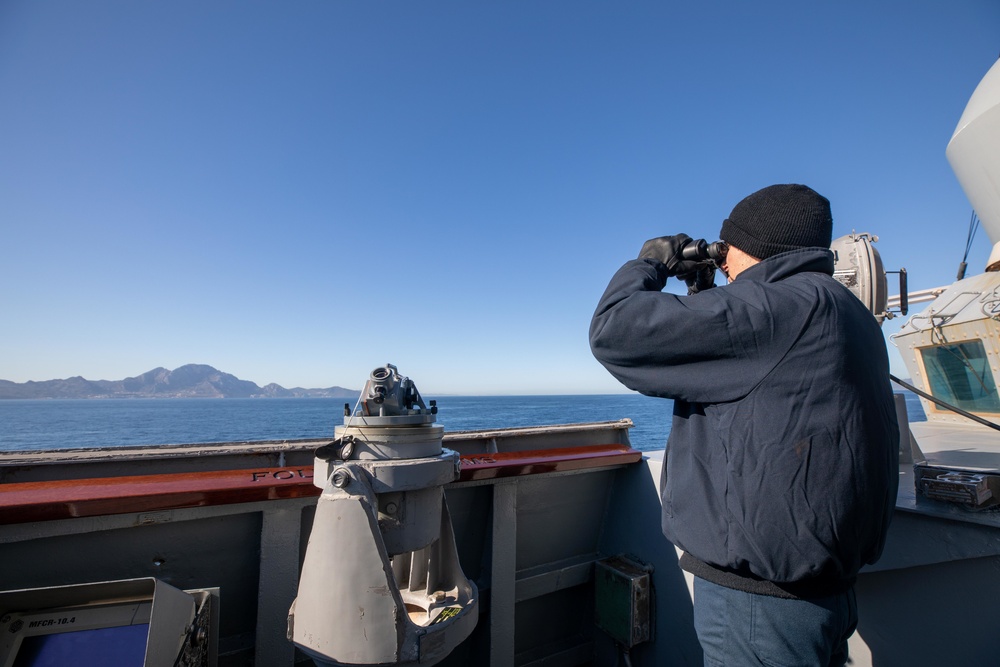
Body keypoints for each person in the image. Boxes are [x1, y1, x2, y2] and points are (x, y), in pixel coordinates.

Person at [589, 184, 899, 666]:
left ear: (754, 247)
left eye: (726, 249)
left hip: (761, 605)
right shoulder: (846, 312)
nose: (724, 262)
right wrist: (703, 293)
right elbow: (742, 378)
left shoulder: (777, 310)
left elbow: (616, 332)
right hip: (824, 592)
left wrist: (650, 263)